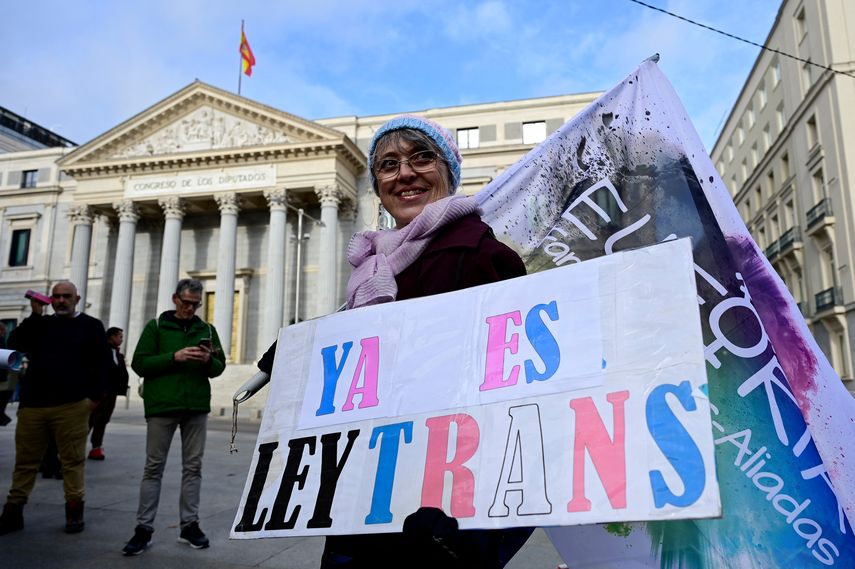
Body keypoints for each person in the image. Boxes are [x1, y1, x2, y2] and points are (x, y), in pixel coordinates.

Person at [322, 115, 532, 568]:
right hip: (367, 488)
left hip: (440, 506)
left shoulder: (483, 255)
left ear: (448, 173)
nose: (405, 173)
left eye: (422, 158)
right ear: (377, 185)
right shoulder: (372, 267)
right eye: (388, 164)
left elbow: (512, 390)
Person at [122, 278, 226, 556]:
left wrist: (208, 360)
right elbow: (140, 363)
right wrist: (174, 357)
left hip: (196, 407)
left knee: (193, 467)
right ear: (175, 298)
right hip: (162, 407)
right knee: (153, 468)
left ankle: (189, 525)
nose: (190, 308)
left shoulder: (207, 330)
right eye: (186, 302)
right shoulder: (156, 327)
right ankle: (143, 528)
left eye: (195, 304)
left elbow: (220, 367)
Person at [0, 281, 108, 535]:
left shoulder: (91, 326)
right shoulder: (41, 324)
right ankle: (13, 511)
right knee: (25, 461)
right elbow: (14, 344)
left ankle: (74, 511)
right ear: (50, 299)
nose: (61, 301)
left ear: (77, 299)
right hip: (33, 405)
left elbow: (102, 365)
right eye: (56, 296)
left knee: (72, 462)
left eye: (66, 296)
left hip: (72, 406)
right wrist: (35, 315)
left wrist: (92, 400)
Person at [87, 327, 129, 460]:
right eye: (120, 337)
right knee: (89, 420)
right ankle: (73, 447)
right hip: (99, 393)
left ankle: (96, 447)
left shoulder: (117, 354)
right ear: (112, 337)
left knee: (103, 420)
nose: (121, 340)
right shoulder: (100, 351)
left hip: (111, 394)